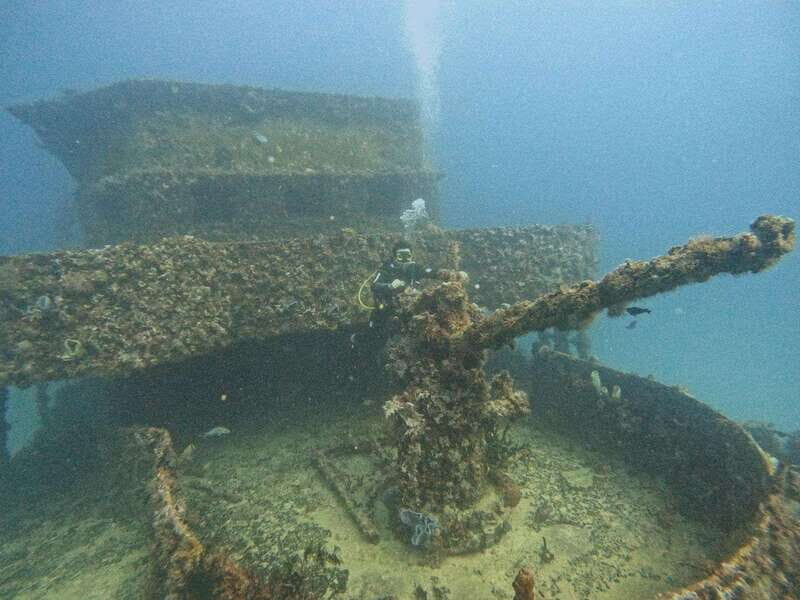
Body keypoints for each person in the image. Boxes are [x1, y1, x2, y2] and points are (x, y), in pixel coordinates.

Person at [369, 240, 434, 333]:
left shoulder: (415, 268)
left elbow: (432, 272)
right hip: (386, 312)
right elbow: (374, 285)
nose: (404, 260)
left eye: (407, 256)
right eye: (400, 256)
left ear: (411, 256)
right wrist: (389, 286)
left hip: (408, 311)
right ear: (395, 256)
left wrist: (453, 275)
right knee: (375, 337)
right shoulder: (386, 269)